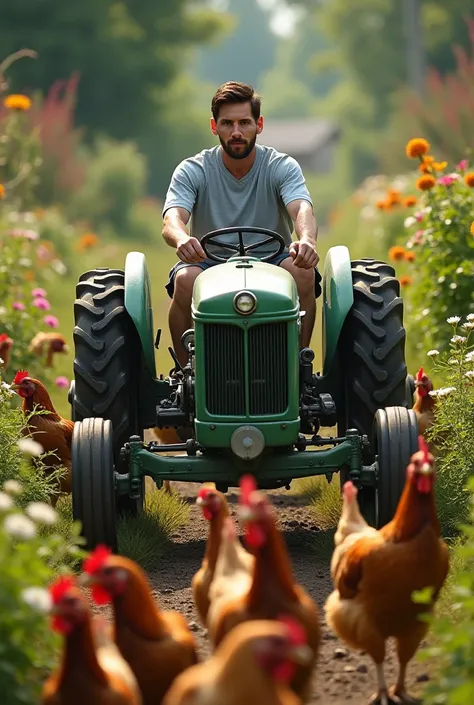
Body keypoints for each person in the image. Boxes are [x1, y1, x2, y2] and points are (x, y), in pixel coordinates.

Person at [161, 80, 321, 365]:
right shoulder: (193, 169)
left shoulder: (280, 166)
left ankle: (299, 366)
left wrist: (306, 240)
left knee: (303, 272)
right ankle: (186, 373)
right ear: (214, 127)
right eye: (227, 123)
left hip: (273, 260)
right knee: (185, 280)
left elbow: (301, 208)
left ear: (259, 125)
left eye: (244, 122)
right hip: (208, 261)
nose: (236, 132)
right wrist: (182, 238)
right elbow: (173, 217)